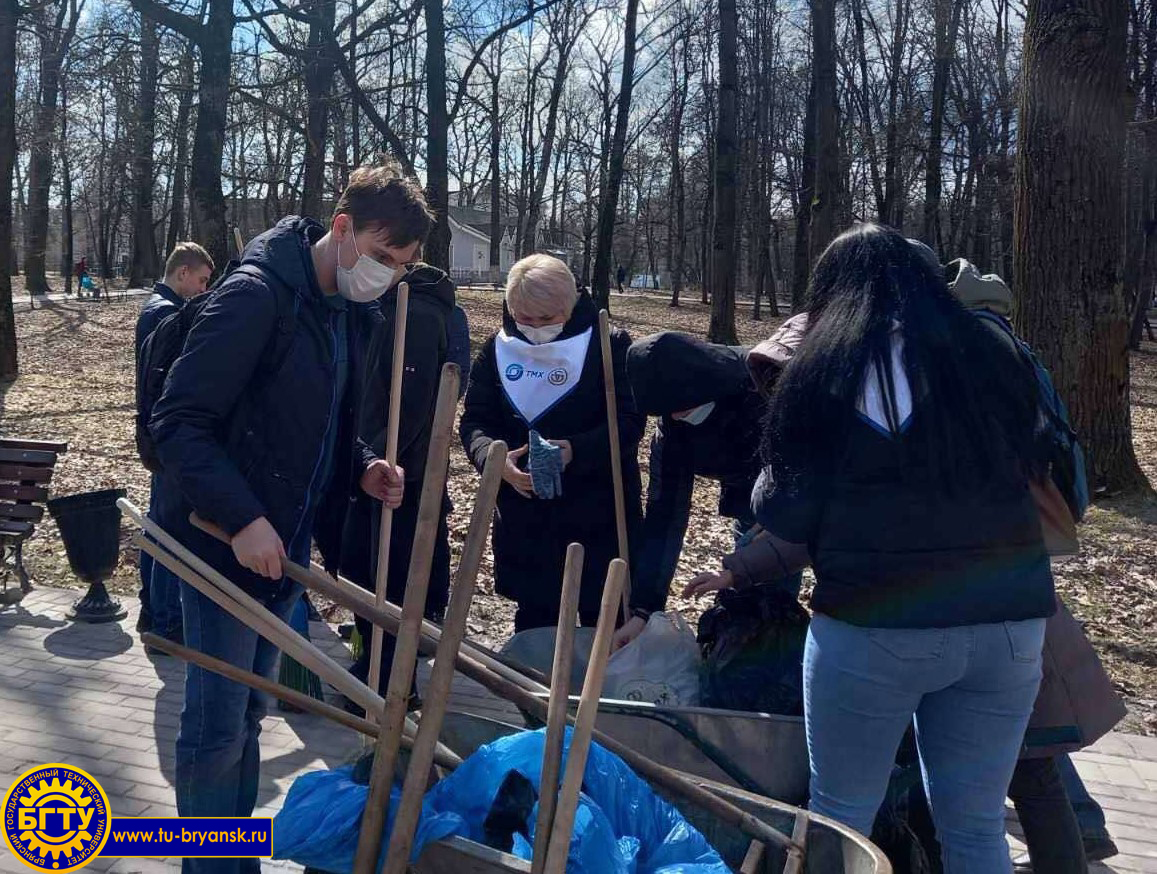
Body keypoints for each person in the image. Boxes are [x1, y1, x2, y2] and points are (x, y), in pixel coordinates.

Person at [686, 223, 1055, 873]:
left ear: (828, 291)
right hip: (1008, 619)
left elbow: (781, 508)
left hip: (873, 623)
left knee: (839, 816)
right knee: (974, 828)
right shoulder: (995, 350)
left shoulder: (824, 365)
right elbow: (1039, 458)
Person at [149, 163, 415, 874]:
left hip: (280, 546)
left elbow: (312, 423)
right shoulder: (255, 297)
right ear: (341, 229)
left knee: (246, 716)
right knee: (214, 726)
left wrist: (361, 465)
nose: (386, 275)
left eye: (401, 267)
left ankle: (229, 861)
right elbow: (178, 424)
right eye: (382, 255)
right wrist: (239, 519)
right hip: (219, 543)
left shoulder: (344, 312)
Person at [944, 256, 1123, 871]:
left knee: (1022, 725)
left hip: (985, 556)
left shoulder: (972, 359)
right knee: (1027, 713)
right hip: (1021, 548)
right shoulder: (1022, 354)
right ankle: (1080, 826)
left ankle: (1076, 827)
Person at [460, 254, 643, 632]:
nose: (535, 328)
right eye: (525, 318)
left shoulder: (609, 346)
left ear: (571, 305)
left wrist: (576, 449)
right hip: (527, 519)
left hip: (599, 515)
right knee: (536, 626)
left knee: (602, 625)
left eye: (547, 319)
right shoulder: (497, 350)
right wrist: (494, 462)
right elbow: (476, 421)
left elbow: (629, 424)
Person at [340, 258, 456, 707]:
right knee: (365, 573)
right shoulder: (384, 307)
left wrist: (378, 458)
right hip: (375, 466)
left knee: (390, 580)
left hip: (401, 474)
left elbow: (409, 405)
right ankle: (373, 666)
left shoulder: (419, 314)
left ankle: (393, 685)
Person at [619, 331, 777, 647]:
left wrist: (749, 560)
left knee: (770, 597)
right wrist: (643, 610)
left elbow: (797, 489)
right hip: (742, 487)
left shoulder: (763, 387)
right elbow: (665, 513)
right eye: (666, 413)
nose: (675, 418)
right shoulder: (672, 424)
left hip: (787, 494)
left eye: (681, 409)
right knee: (742, 600)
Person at [134, 242, 215, 641]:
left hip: (157, 434)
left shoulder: (154, 309)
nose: (202, 290)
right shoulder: (167, 316)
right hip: (167, 436)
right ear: (182, 273)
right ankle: (165, 620)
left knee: (157, 525)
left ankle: (152, 610)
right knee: (169, 531)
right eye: (201, 281)